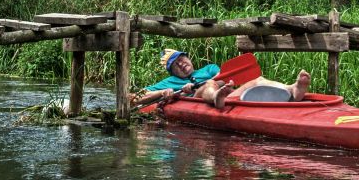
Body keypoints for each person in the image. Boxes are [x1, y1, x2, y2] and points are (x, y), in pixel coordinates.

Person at [132, 49, 311, 109]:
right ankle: (216, 97)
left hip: (229, 95)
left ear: (188, 57)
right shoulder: (168, 83)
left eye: (182, 59)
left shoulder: (209, 68)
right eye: (175, 65)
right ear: (171, 72)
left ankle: (292, 89)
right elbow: (133, 98)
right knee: (209, 85)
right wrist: (162, 92)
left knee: (258, 79)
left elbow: (222, 79)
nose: (181, 64)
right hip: (198, 102)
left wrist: (215, 84)